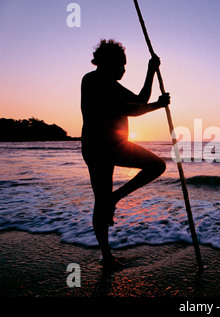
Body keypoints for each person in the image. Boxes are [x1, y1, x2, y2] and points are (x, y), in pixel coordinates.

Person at [81, 39, 170, 270]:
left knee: (104, 199)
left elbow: (139, 99)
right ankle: (107, 255)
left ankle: (112, 202)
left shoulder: (109, 83)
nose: (123, 70)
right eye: (122, 65)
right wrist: (157, 105)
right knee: (156, 166)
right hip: (102, 148)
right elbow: (131, 108)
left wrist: (150, 71)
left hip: (110, 146)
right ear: (109, 63)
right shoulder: (93, 81)